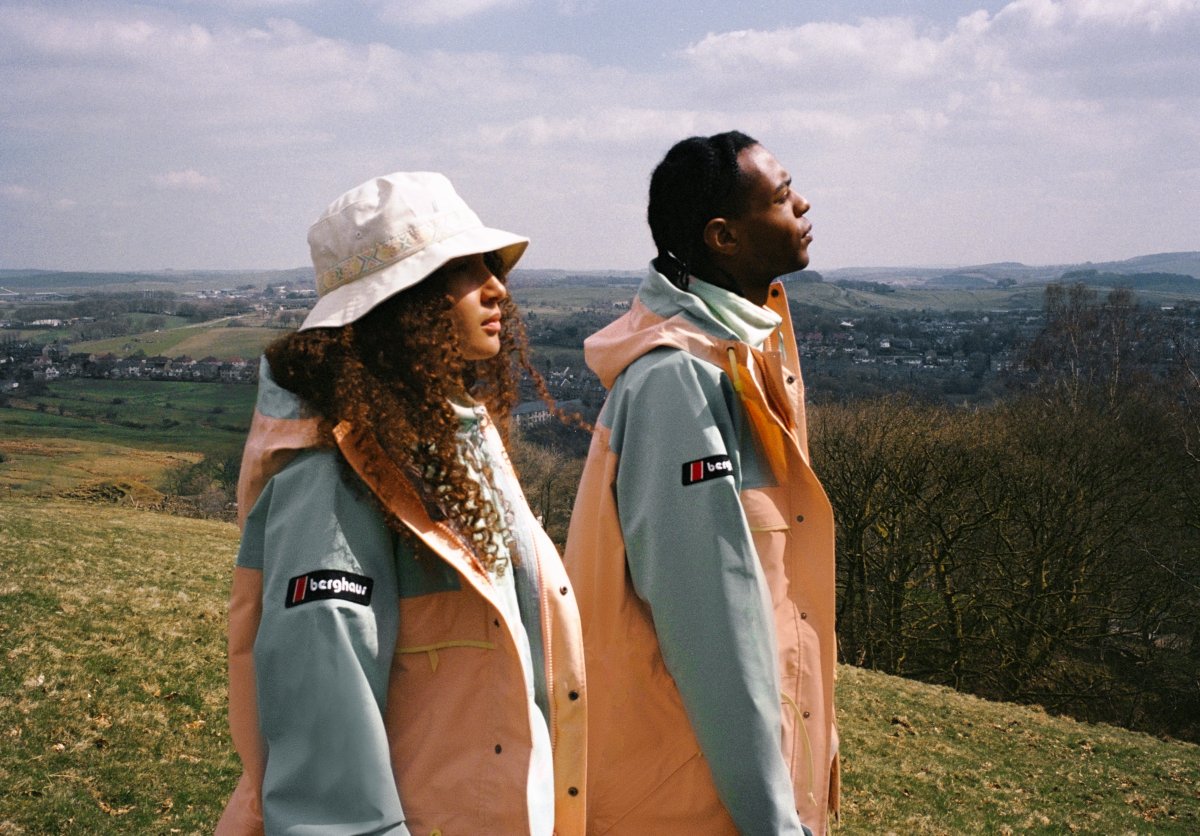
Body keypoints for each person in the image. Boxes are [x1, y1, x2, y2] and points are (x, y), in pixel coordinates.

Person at [215, 172, 587, 835]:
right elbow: (331, 798)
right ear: (401, 303)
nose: (498, 286)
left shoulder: (451, 441)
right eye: (465, 270)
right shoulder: (331, 479)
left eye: (491, 266)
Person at [563, 131, 838, 835]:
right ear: (723, 236)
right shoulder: (678, 384)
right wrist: (773, 820)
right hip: (693, 803)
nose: (803, 203)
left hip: (738, 791)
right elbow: (710, 625)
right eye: (780, 197)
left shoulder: (741, 357)